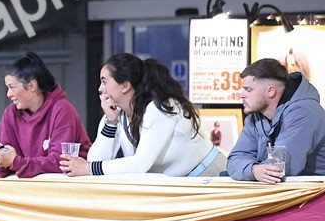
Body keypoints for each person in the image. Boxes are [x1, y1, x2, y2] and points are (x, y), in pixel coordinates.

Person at [62, 52, 226, 177]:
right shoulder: (117, 114)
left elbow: (140, 164)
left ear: (125, 86)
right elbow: (95, 160)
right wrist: (111, 124)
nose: (100, 89)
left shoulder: (159, 107)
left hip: (210, 176)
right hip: (182, 184)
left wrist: (87, 168)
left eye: (105, 81)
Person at [0, 52, 90, 178]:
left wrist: (16, 162)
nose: (8, 94)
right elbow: (0, 169)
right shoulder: (11, 114)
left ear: (32, 86)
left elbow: (61, 163)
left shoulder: (62, 110)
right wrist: (0, 161)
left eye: (12, 87)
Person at [226, 58, 325, 182]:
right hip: (287, 193)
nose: (242, 94)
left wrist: (254, 170)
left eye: (248, 89)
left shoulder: (304, 113)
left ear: (271, 91)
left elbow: (278, 168)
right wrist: (253, 170)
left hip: (316, 195)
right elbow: (235, 159)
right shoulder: (255, 117)